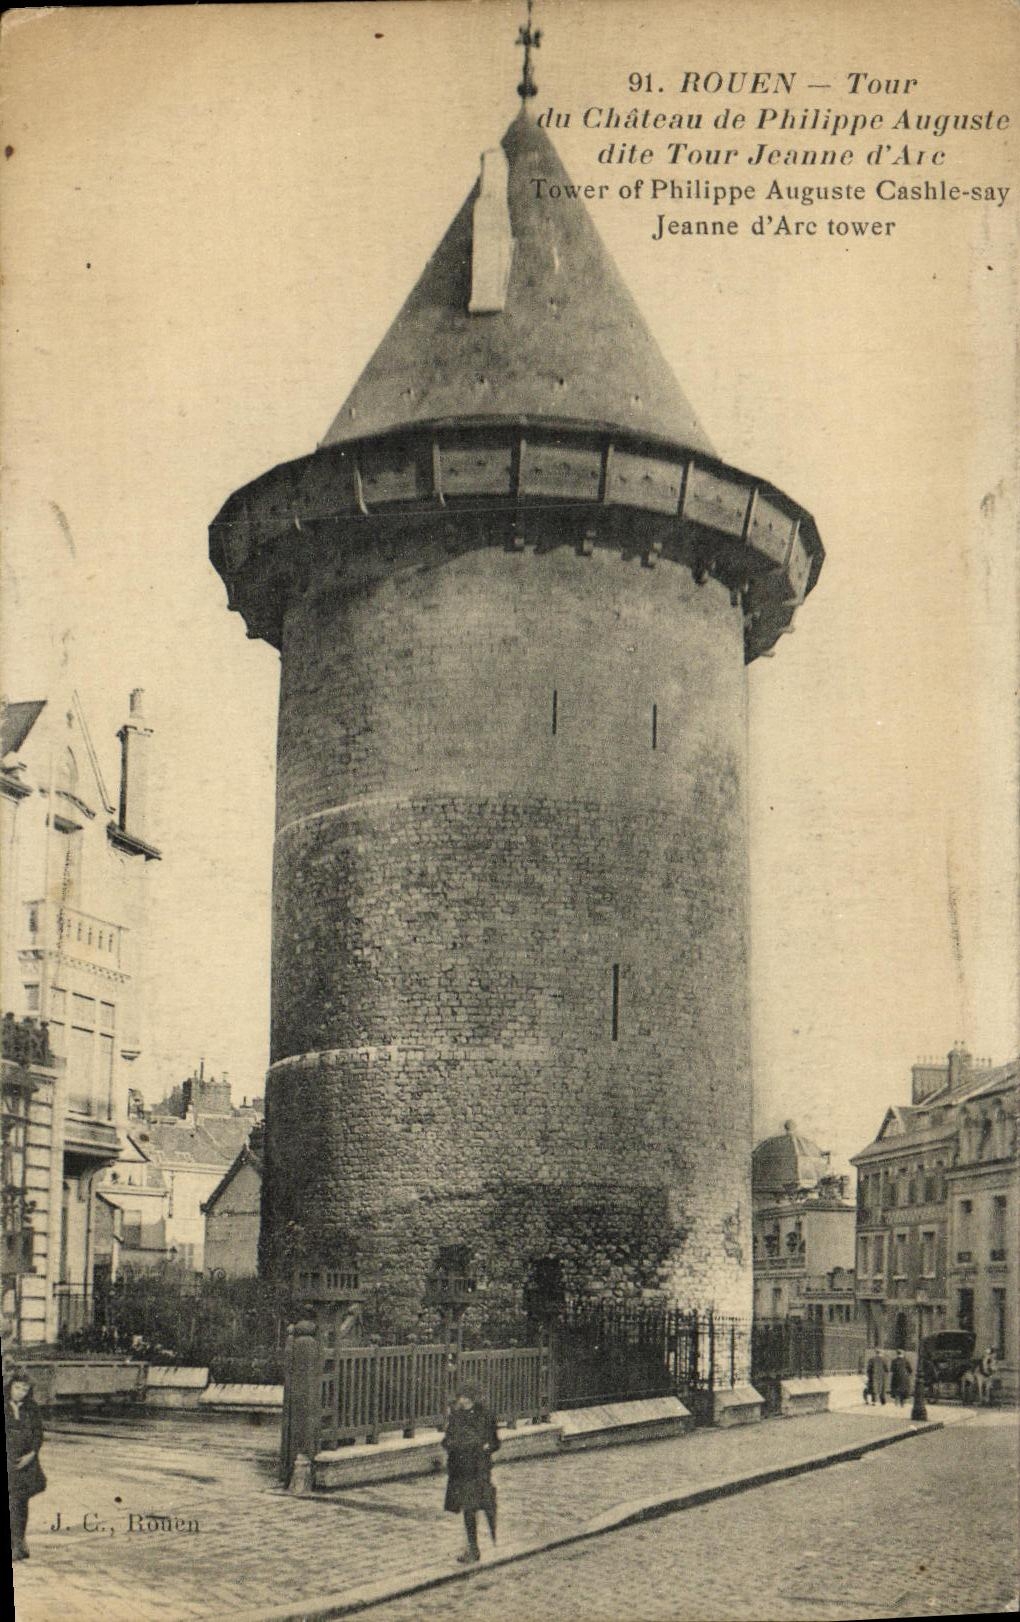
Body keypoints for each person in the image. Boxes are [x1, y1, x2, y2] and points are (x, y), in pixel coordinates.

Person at [442, 1383, 500, 1564]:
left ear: (473, 1398)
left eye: (467, 1397)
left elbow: (495, 1442)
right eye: (461, 1397)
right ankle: (472, 1548)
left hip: (479, 1469)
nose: (463, 1400)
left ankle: (479, 1545)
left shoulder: (486, 1416)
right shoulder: (456, 1416)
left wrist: (486, 1448)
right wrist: (451, 1445)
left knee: (474, 1506)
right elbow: (446, 1440)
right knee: (468, 1509)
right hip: (461, 1469)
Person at [5, 1368, 46, 1561]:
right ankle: (17, 1544)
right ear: (10, 1387)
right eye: (17, 1387)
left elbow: (38, 1434)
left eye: (24, 1389)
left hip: (25, 1464)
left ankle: (19, 1543)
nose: (20, 1392)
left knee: (19, 1504)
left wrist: (32, 1454)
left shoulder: (32, 1408)